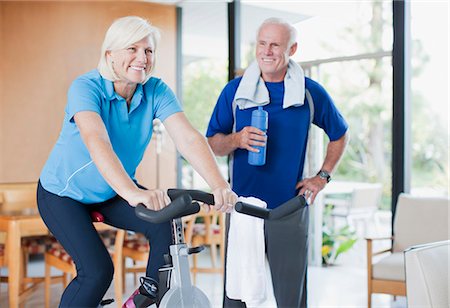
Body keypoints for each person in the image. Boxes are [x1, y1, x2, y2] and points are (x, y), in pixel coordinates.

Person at [37, 16, 237, 307]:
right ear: (110, 54)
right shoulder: (86, 87)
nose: (141, 58)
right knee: (96, 271)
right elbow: (97, 140)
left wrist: (219, 184)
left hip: (110, 191)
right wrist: (133, 193)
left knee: (165, 225)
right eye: (132, 49)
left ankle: (143, 302)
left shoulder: (155, 90)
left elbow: (188, 138)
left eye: (148, 51)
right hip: (63, 194)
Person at [206, 18, 349, 308]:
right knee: (236, 296)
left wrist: (322, 176)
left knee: (290, 298)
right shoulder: (234, 92)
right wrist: (238, 140)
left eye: (275, 45)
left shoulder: (310, 93)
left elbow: (340, 133)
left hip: (289, 206)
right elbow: (213, 143)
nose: (267, 51)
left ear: (292, 49)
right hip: (242, 205)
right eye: (262, 43)